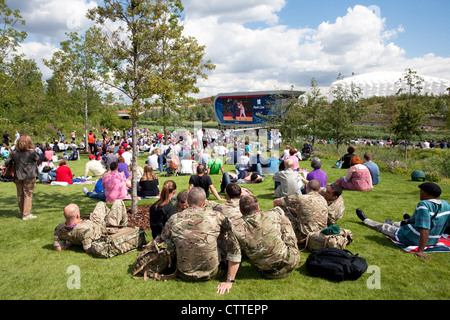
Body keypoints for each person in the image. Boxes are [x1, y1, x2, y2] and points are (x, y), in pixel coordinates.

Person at [217, 194, 300, 294]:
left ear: (240, 210)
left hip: (268, 270)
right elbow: (280, 211)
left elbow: (234, 256)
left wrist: (229, 281)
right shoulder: (273, 215)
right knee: (284, 220)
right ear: (257, 207)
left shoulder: (235, 226)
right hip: (291, 262)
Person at [161, 187, 240, 282]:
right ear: (203, 203)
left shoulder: (174, 218)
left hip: (184, 273)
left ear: (188, 202)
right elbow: (231, 230)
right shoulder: (216, 216)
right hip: (213, 272)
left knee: (171, 239)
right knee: (225, 235)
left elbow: (163, 237)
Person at [356, 182, 450, 260]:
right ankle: (395, 222)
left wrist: (420, 251)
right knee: (398, 223)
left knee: (384, 227)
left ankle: (366, 220)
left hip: (412, 237)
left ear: (426, 194)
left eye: (421, 191)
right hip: (433, 240)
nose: (419, 193)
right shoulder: (446, 205)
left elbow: (425, 229)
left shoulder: (424, 205)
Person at [53, 200, 128, 254]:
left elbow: (59, 248)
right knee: (118, 202)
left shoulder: (59, 228)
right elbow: (88, 250)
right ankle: (124, 225)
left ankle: (112, 215)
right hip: (107, 227)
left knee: (101, 204)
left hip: (94, 222)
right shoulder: (84, 230)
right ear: (78, 215)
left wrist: (72, 242)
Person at [273, 180, 328, 245]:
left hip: (303, 235)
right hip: (320, 235)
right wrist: (290, 210)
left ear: (306, 187)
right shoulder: (323, 200)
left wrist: (287, 208)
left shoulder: (301, 198)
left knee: (279, 207)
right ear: (318, 190)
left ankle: (278, 230)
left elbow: (276, 202)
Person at [4, 135, 39, 220]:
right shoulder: (31, 152)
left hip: (18, 176)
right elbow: (37, 158)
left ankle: (23, 212)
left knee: (20, 195)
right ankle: (26, 214)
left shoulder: (14, 153)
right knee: (27, 194)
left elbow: (6, 162)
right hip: (29, 175)